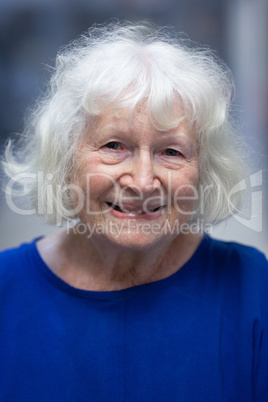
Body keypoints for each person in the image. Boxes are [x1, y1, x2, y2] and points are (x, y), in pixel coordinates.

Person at [0, 21, 267, 401]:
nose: (142, 182)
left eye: (171, 152)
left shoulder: (253, 288)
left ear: (204, 171)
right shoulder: (5, 289)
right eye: (114, 145)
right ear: (65, 160)